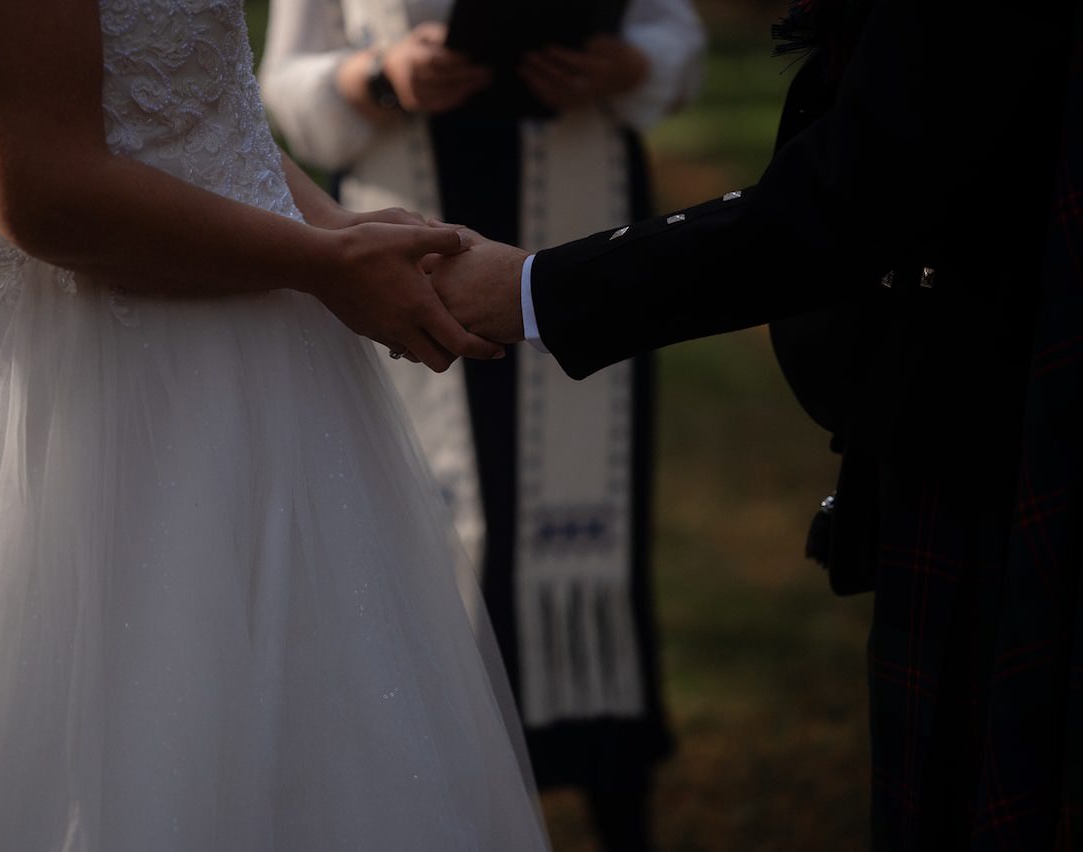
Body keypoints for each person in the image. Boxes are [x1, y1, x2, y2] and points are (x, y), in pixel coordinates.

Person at [0, 0, 552, 848]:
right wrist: (324, 264)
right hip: (94, 399)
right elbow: (47, 192)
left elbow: (195, 116)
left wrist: (335, 227)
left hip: (274, 377)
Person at [429, 0, 1083, 847]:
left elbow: (849, 195)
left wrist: (535, 290)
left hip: (1002, 420)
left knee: (985, 767)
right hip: (971, 391)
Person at [260, 5, 703, 848]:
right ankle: (431, 798)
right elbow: (279, 87)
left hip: (578, 225)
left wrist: (628, 66)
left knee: (587, 528)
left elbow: (674, 36)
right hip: (405, 230)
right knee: (423, 526)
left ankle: (612, 790)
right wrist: (379, 76)